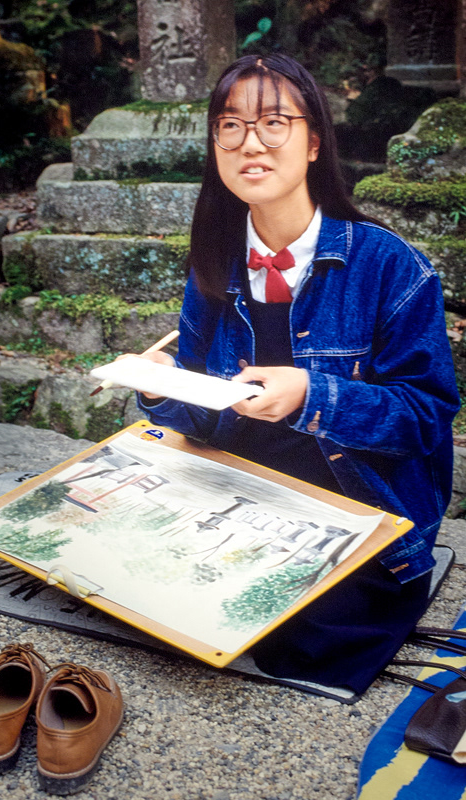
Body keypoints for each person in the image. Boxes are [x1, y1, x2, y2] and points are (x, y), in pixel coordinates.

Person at [132, 53, 460, 694]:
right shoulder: (217, 262)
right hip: (241, 489)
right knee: (123, 564)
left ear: (313, 141)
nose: (250, 143)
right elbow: (203, 412)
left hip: (354, 500)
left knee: (308, 643)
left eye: (273, 122)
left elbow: (425, 416)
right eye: (230, 126)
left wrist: (315, 394)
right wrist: (164, 388)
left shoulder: (389, 266)